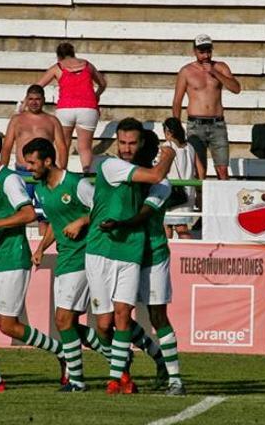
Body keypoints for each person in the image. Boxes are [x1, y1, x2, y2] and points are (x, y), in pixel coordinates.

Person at [0, 126, 65, 392]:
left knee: (9, 326)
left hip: (12, 260)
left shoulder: (9, 180)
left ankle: (62, 352)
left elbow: (29, 214)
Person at [86, 117, 175, 394]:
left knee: (125, 315)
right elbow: (155, 175)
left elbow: (155, 187)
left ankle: (120, 378)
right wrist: (170, 155)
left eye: (132, 143)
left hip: (132, 250)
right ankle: (135, 359)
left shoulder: (153, 181)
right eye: (122, 143)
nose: (126, 148)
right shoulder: (112, 166)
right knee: (104, 324)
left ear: (143, 145)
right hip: (101, 249)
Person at [105, 130, 186, 396]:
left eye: (140, 149)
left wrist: (118, 223)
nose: (133, 152)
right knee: (120, 317)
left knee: (157, 315)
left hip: (152, 254)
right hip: (127, 253)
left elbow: (143, 215)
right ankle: (158, 360)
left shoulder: (161, 184)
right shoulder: (129, 175)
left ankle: (176, 380)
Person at [25, 137, 102, 392]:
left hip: (84, 254)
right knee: (66, 322)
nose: (29, 168)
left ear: (48, 161)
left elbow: (103, 208)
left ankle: (77, 381)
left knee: (63, 319)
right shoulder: (41, 190)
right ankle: (116, 357)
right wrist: (40, 247)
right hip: (64, 256)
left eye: (32, 162)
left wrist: (82, 221)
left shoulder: (76, 184)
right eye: (27, 163)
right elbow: (55, 224)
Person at [172, 34, 241, 180]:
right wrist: (176, 126)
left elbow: (236, 88)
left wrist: (214, 72)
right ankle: (200, 202)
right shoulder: (186, 71)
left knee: (222, 170)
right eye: (201, 52)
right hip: (196, 125)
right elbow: (177, 101)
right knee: (199, 170)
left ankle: (223, 202)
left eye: (208, 51)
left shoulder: (220, 67)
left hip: (217, 124)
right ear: (195, 51)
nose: (205, 55)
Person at [2, 84, 67, 232]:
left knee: (44, 216)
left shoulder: (52, 121)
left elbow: (62, 147)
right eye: (30, 99)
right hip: (22, 173)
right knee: (18, 214)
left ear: (44, 100)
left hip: (44, 174)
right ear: (26, 100)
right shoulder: (17, 120)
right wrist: (2, 171)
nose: (34, 102)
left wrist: (62, 171)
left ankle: (44, 251)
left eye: (37, 99)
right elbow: (7, 146)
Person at [36, 42, 107, 173]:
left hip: (66, 109)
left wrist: (25, 104)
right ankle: (87, 175)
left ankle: (60, 177)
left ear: (58, 56)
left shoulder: (57, 67)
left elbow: (38, 87)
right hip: (88, 108)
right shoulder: (87, 64)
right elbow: (103, 83)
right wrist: (96, 95)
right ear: (73, 53)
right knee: (85, 148)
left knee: (63, 146)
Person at [162, 117, 203, 239]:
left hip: (172, 192)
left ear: (168, 132)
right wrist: (199, 191)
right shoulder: (190, 147)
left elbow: (161, 169)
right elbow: (200, 170)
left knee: (171, 228)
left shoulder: (167, 146)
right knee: (181, 226)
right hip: (188, 192)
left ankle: (182, 254)